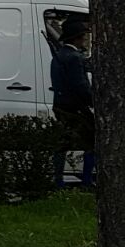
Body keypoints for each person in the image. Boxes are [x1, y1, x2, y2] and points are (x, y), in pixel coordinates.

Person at [50, 17, 95, 188]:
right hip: (75, 108)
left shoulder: (58, 56)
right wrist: (92, 101)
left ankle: (59, 179)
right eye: (82, 36)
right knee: (92, 141)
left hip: (60, 105)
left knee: (62, 144)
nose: (84, 40)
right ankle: (86, 179)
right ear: (76, 38)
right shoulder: (75, 58)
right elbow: (80, 85)